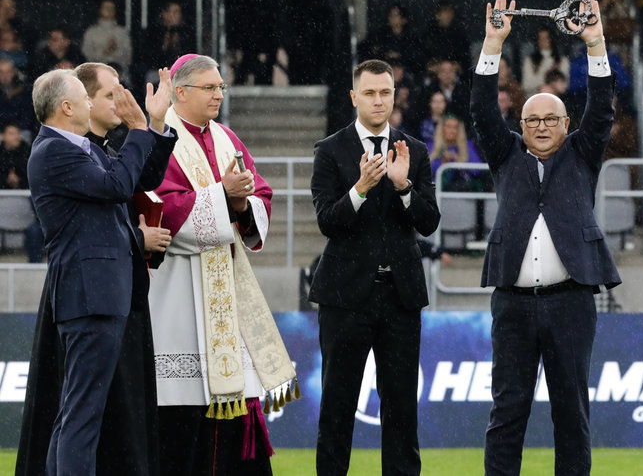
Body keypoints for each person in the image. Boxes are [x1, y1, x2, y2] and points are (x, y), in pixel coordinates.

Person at [471, 0, 620, 476]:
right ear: (520, 125)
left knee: (571, 414)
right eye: (532, 119)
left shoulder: (583, 153)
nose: (540, 126)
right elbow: (480, 110)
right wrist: (493, 44)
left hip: (571, 301)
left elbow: (602, 107)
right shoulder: (505, 155)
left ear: (566, 124)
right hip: (512, 303)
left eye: (550, 119)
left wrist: (594, 43)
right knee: (507, 412)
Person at [15, 64, 176, 476]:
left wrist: (153, 125)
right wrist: (139, 129)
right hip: (90, 296)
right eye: (86, 98)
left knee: (76, 414)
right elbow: (117, 187)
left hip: (98, 294)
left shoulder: (80, 149)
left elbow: (136, 176)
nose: (92, 103)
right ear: (67, 107)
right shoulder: (56, 151)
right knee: (82, 417)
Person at [147, 53, 297, 476]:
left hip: (225, 296)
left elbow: (261, 195)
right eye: (210, 87)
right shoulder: (161, 140)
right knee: (181, 432)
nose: (218, 94)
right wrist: (223, 197)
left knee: (231, 438)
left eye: (221, 87)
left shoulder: (228, 138)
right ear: (181, 92)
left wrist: (242, 202)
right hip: (178, 294)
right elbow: (166, 208)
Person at [309, 59, 440, 475]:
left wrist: (403, 185)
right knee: (337, 406)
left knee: (402, 409)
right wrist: (360, 188)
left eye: (385, 92)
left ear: (394, 95)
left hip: (400, 297)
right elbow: (328, 221)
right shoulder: (330, 151)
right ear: (354, 97)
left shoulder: (414, 152)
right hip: (344, 297)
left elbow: (429, 221)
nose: (379, 100)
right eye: (369, 93)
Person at [81, 0, 133, 74]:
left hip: (119, 72)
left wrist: (115, 53)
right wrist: (105, 52)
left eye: (111, 8)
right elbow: (87, 55)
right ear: (100, 10)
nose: (109, 10)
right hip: (96, 72)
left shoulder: (122, 32)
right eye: (106, 8)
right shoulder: (91, 32)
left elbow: (128, 57)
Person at [521, 27, 570, 97]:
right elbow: (526, 85)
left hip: (556, 99)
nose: (543, 41)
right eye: (540, 38)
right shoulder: (529, 60)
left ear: (552, 39)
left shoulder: (563, 60)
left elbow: (563, 86)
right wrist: (548, 75)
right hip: (534, 98)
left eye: (546, 38)